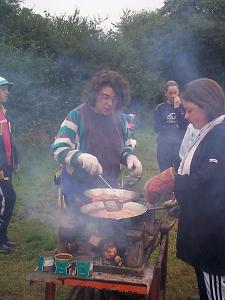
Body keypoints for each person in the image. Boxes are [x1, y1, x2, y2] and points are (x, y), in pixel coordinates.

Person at [145, 78, 225, 300]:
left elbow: (210, 182)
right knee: (206, 285)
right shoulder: (209, 131)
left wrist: (171, 181)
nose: (186, 116)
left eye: (190, 110)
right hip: (205, 229)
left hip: (215, 240)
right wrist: (183, 204)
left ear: (207, 105)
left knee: (215, 289)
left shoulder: (221, 134)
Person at [51, 69, 142, 209]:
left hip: (110, 189)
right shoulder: (76, 116)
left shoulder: (120, 119)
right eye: (105, 97)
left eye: (115, 98)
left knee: (111, 229)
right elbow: (58, 149)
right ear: (94, 95)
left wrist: (129, 157)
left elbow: (126, 147)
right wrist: (81, 157)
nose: (110, 103)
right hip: (78, 191)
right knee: (78, 230)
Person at [0, 76, 19, 253]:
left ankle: (3, 238)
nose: (7, 92)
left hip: (6, 165)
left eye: (7, 89)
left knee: (7, 199)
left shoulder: (3, 111)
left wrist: (16, 160)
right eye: (4, 89)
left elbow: (8, 140)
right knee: (6, 199)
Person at [154, 80, 188, 171]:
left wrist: (177, 108)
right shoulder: (160, 108)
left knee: (179, 172)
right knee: (164, 173)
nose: (173, 96)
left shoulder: (184, 107)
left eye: (175, 93)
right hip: (164, 145)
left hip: (179, 145)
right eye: (170, 93)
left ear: (178, 92)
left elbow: (186, 125)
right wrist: (174, 127)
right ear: (165, 93)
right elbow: (157, 128)